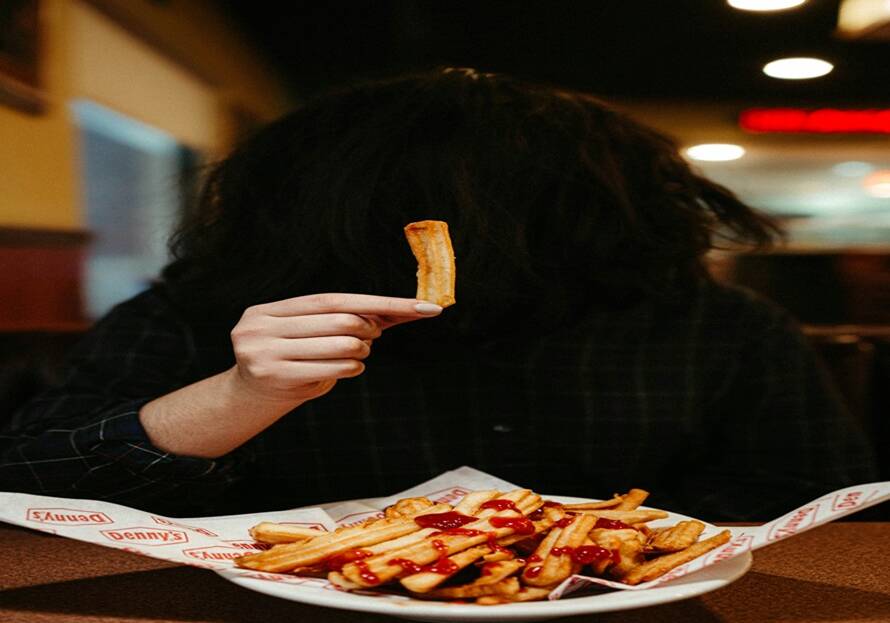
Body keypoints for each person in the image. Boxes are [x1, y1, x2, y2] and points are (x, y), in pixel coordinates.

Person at [0, 68, 876, 520]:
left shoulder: (713, 326)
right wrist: (237, 396)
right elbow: (27, 495)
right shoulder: (207, 308)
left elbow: (808, 498)